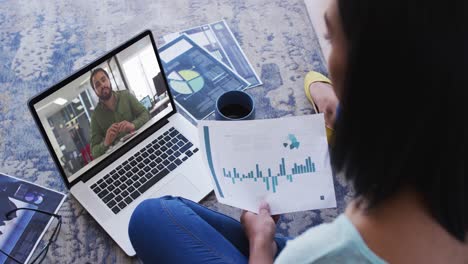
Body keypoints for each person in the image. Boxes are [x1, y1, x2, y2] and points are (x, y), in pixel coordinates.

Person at [128, 0, 467, 262]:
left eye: (331, 39)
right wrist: (333, 98)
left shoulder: (319, 254)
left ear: (369, 76)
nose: (328, 56)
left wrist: (262, 247)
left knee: (150, 218)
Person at [89, 68, 150, 158]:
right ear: (95, 91)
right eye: (97, 85)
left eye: (103, 80)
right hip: (120, 157)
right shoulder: (95, 116)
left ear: (109, 80)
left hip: (140, 144)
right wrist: (106, 142)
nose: (102, 85)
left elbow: (146, 113)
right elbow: (94, 152)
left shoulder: (126, 95)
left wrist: (133, 125)